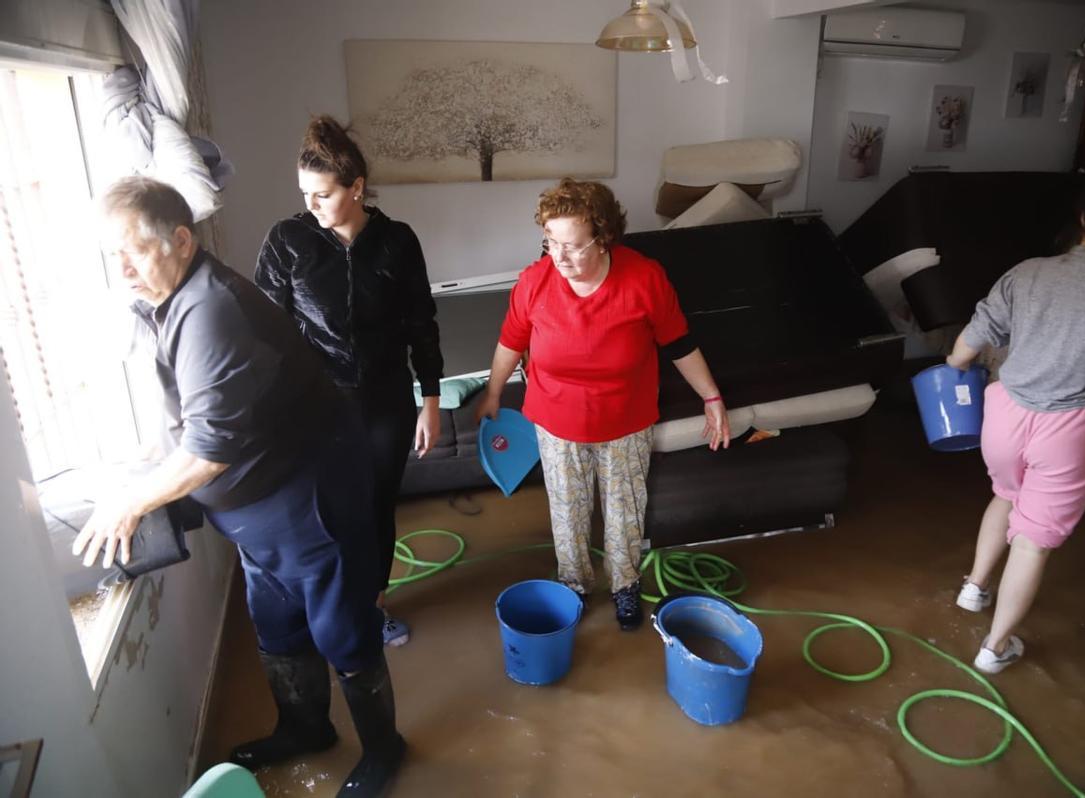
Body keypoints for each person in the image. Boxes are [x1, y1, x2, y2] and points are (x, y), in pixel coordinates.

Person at [73, 177, 406, 796]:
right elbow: (191, 412)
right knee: (276, 624)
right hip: (256, 517)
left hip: (308, 503)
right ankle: (306, 728)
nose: (122, 270)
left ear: (180, 240)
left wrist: (132, 502)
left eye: (134, 252)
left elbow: (210, 450)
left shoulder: (212, 311)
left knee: (341, 630)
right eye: (111, 255)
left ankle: (385, 751)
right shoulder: (165, 301)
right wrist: (144, 462)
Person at [947, 171, 1085, 674]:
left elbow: (974, 336)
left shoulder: (1026, 273)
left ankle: (974, 588)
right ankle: (994, 648)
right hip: (1069, 428)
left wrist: (954, 365)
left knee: (1005, 496)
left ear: (1082, 218)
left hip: (1004, 413)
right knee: (1032, 541)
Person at [477, 178, 730, 631]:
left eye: (573, 246)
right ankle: (574, 584)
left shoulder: (644, 278)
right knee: (568, 511)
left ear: (604, 237)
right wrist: (493, 393)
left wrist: (711, 398)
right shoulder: (534, 282)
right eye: (550, 242)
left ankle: (625, 584)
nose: (559, 257)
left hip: (625, 421)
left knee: (624, 510)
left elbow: (679, 343)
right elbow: (510, 341)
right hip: (556, 420)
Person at [256, 115, 444, 648]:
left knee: (376, 506)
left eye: (323, 194)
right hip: (316, 406)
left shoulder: (397, 242)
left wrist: (430, 399)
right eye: (305, 194)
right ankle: (330, 610)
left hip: (386, 401)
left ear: (356, 187)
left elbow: (421, 323)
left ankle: (372, 607)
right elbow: (265, 331)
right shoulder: (288, 241)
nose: (311, 205)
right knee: (326, 510)